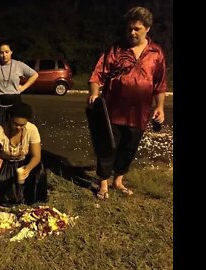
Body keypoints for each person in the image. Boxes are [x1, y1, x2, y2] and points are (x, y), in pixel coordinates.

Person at [87, 6, 167, 200]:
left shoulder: (156, 53)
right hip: (112, 110)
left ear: (147, 28)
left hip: (139, 112)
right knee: (107, 146)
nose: (131, 32)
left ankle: (118, 180)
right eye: (129, 28)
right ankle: (104, 183)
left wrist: (159, 107)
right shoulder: (116, 49)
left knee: (129, 147)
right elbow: (98, 74)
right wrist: (94, 95)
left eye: (137, 28)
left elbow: (160, 83)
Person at [0, 102, 47, 206]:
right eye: (15, 124)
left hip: (23, 162)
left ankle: (33, 199)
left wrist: (28, 168)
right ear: (10, 119)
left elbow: (36, 156)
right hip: (5, 163)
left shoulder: (32, 129)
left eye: (22, 125)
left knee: (39, 171)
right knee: (5, 193)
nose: (18, 127)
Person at [0, 41, 38, 144]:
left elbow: (34, 75)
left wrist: (23, 87)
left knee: (15, 128)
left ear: (11, 52)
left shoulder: (19, 65)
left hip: (14, 102)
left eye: (6, 52)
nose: (4, 55)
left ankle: (14, 152)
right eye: (1, 52)